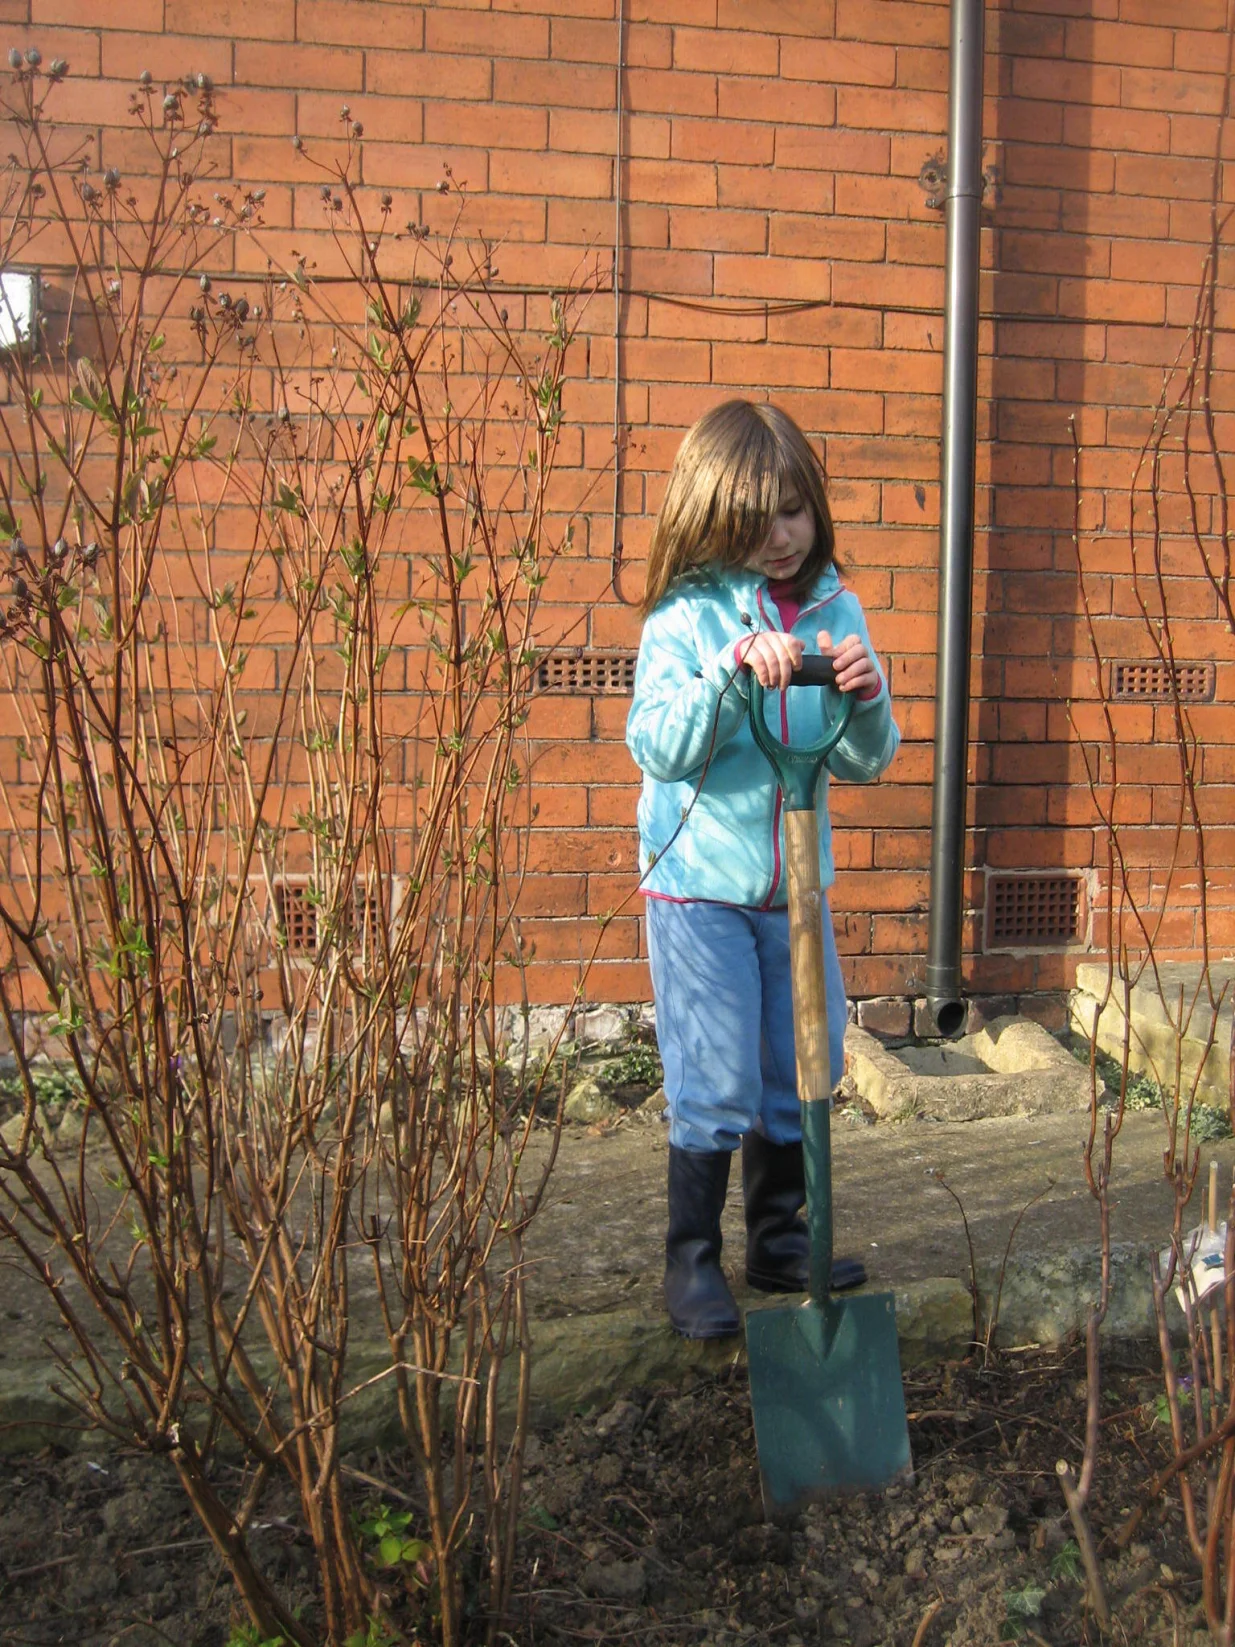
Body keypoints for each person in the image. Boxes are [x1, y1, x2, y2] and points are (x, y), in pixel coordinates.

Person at [625, 399, 900, 1340]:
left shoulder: (836, 607)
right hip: (698, 882)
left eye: (794, 510)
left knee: (800, 1067)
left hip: (795, 882)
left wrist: (864, 696)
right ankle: (691, 1261)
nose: (780, 536)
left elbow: (866, 758)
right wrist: (729, 667)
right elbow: (654, 743)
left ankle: (780, 1240)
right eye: (755, 517)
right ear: (710, 514)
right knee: (716, 1079)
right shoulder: (684, 613)